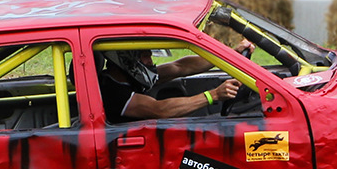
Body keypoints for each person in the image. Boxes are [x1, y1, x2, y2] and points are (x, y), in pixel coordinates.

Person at [97, 46, 249, 122]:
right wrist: (213, 95)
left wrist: (230, 54)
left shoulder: (124, 78)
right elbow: (160, 110)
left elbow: (180, 67)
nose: (151, 62)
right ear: (126, 59)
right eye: (145, 56)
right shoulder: (113, 92)